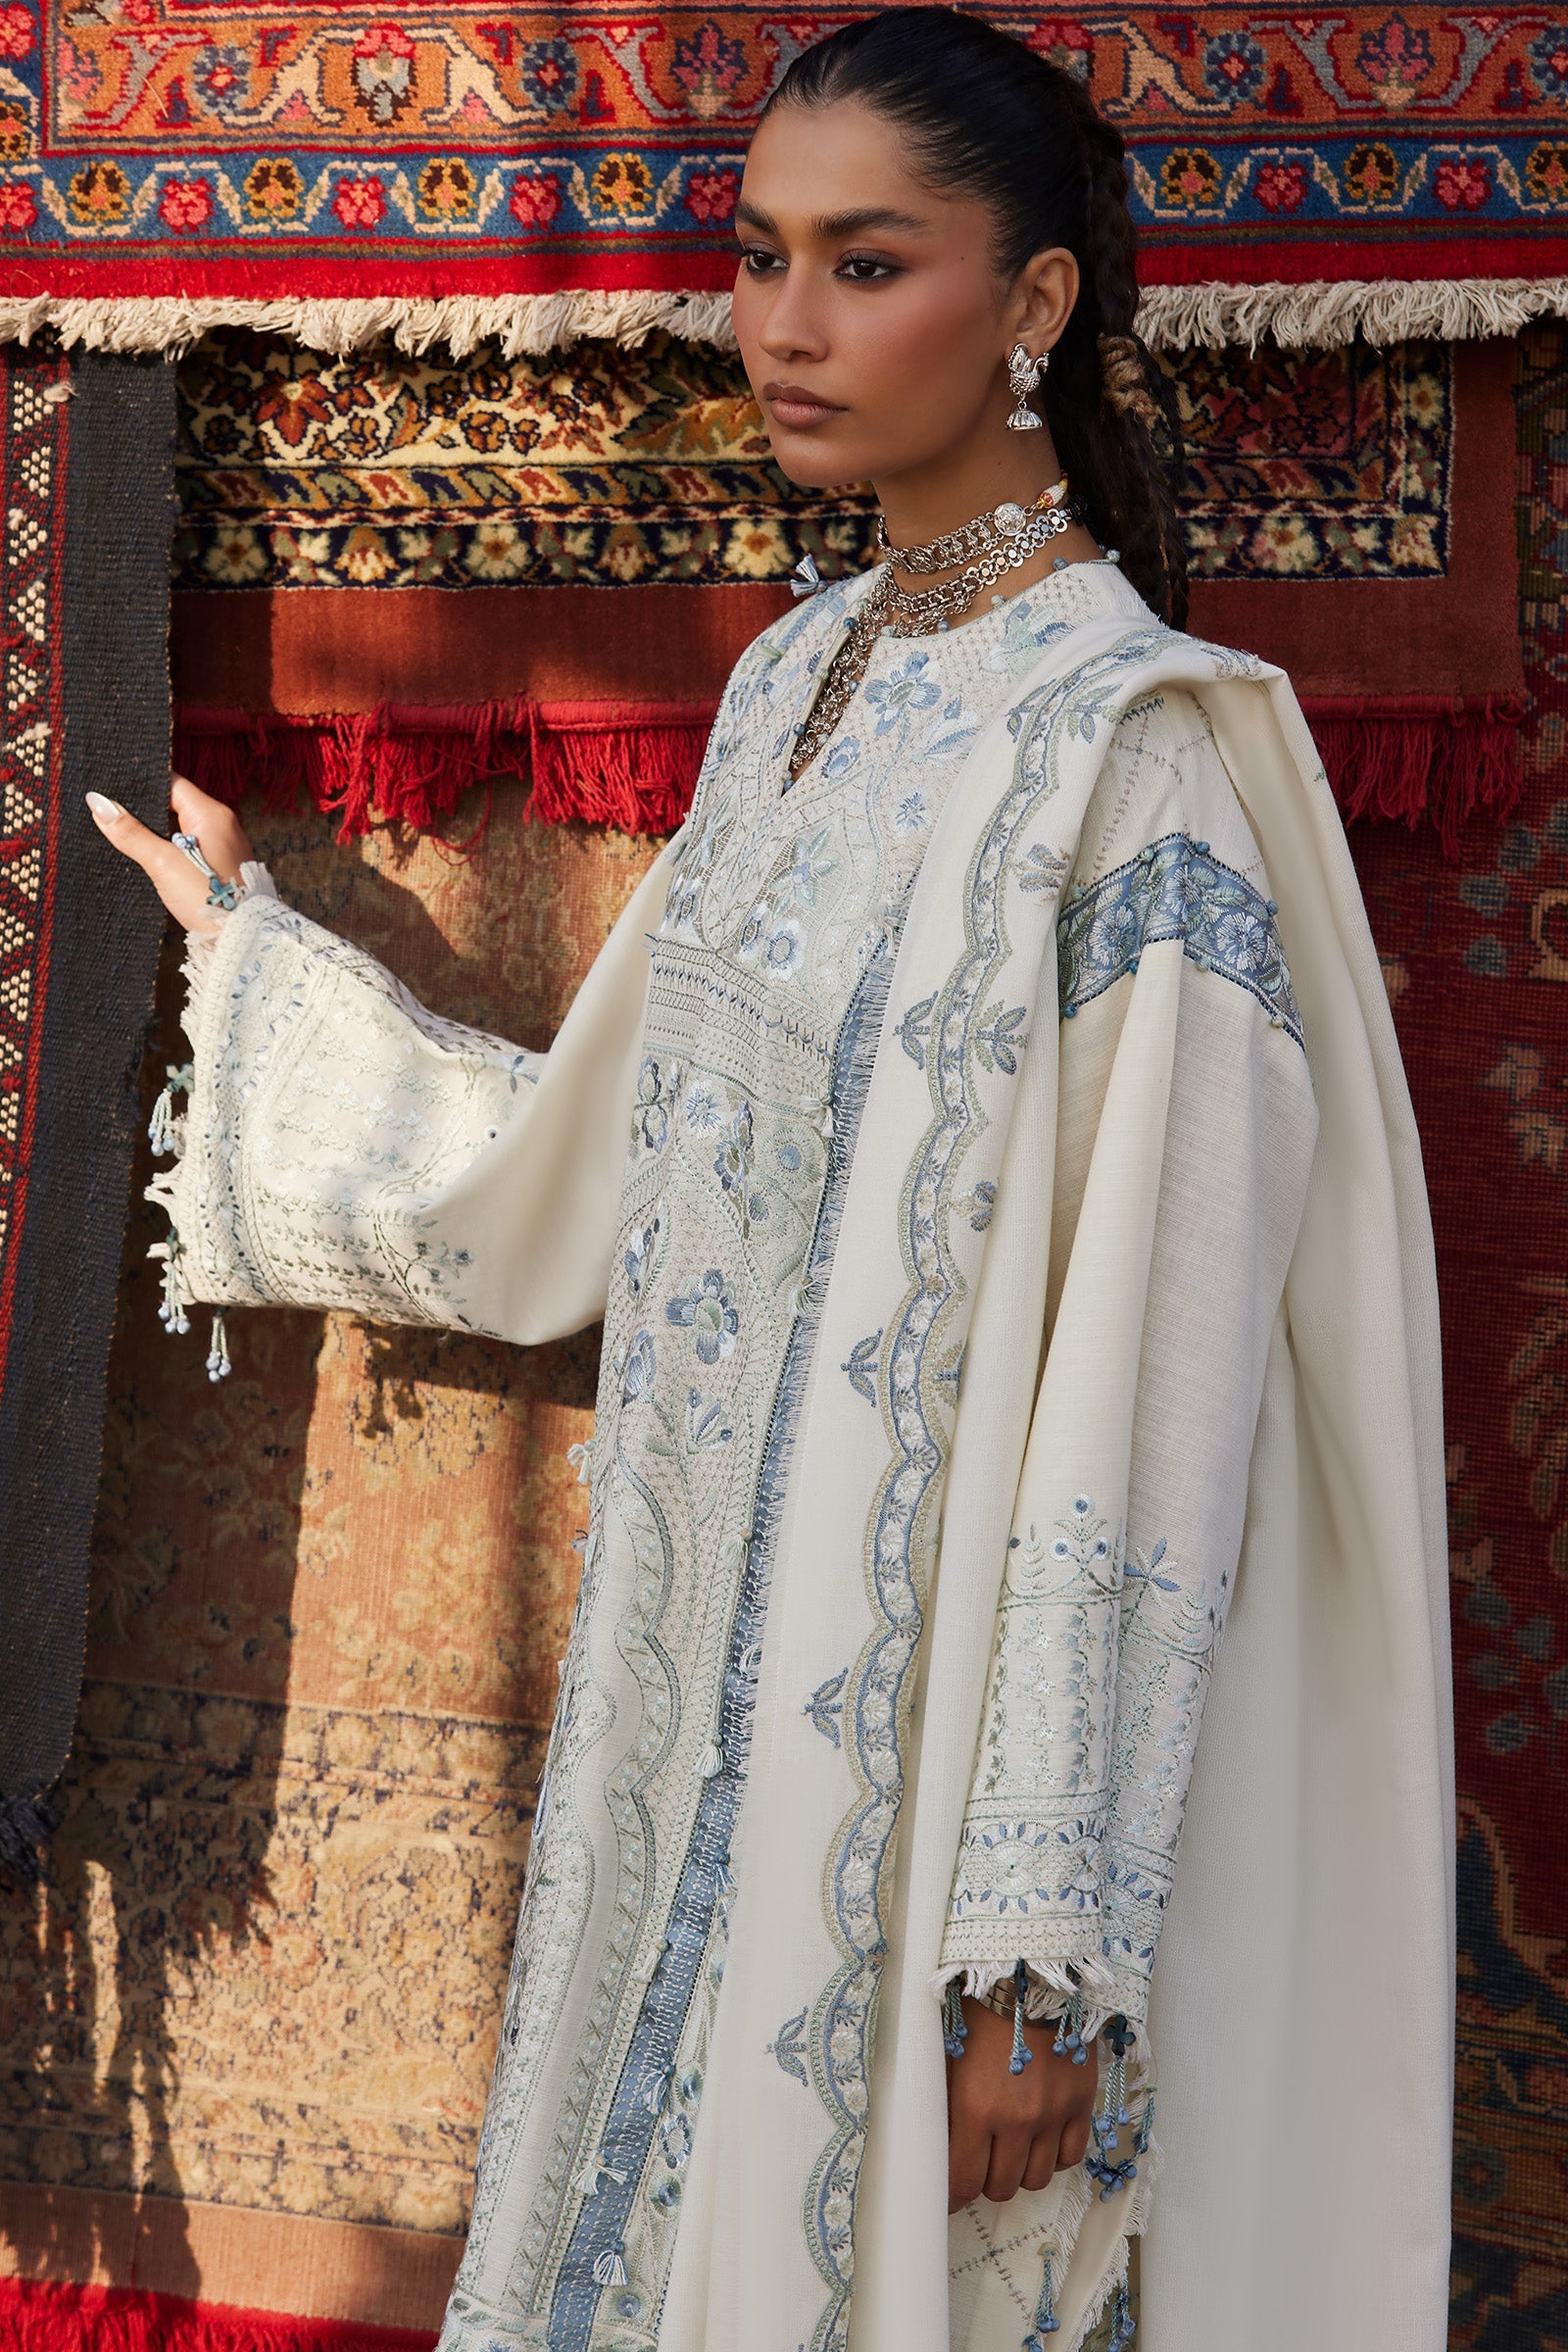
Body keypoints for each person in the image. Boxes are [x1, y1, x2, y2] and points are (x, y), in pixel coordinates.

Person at [90, 13, 1454, 2350]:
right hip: (680, 1745)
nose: (784, 324)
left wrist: (1037, 1943)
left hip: (929, 1799)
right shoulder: (794, 686)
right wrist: (248, 947)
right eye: (754, 257)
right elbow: (597, 1169)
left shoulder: (1130, 766)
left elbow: (1162, 1375)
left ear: (1031, 303)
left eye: (864, 262)